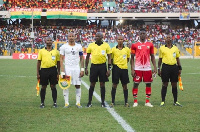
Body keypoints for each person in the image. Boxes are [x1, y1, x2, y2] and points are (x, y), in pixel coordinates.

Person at [131, 28, 157, 107]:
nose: (142, 35)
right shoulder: (134, 45)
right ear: (139, 35)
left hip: (147, 68)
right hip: (138, 68)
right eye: (141, 33)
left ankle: (147, 101)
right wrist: (132, 69)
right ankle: (135, 101)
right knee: (136, 84)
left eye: (144, 33)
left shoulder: (150, 45)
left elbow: (152, 56)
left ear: (146, 35)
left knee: (148, 84)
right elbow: (132, 58)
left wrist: (155, 67)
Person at [85, 32, 112, 107]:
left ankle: (103, 102)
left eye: (98, 36)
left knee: (102, 84)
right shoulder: (91, 45)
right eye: (96, 36)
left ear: (102, 37)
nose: (96, 37)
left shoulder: (106, 45)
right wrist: (86, 67)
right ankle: (89, 102)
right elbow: (87, 57)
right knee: (92, 83)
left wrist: (109, 69)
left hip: (103, 66)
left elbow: (109, 57)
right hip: (94, 66)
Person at [60, 32, 84, 108]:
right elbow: (61, 59)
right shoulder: (64, 47)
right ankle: (66, 103)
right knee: (65, 85)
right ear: (67, 37)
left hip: (76, 68)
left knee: (78, 85)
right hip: (67, 68)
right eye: (69, 36)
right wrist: (62, 70)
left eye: (72, 36)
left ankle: (78, 103)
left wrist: (82, 69)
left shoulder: (79, 46)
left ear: (75, 37)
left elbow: (82, 58)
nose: (71, 37)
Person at [158, 34, 182, 107]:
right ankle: (162, 101)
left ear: (172, 39)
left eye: (169, 38)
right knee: (165, 84)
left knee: (174, 84)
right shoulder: (162, 48)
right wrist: (159, 68)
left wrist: (180, 67)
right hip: (165, 67)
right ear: (165, 39)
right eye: (167, 37)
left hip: (174, 67)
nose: (168, 39)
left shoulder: (175, 48)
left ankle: (175, 101)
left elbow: (177, 58)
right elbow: (160, 59)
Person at [37, 36, 60, 108]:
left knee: (53, 86)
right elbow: (38, 63)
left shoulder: (56, 51)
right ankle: (42, 103)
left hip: (53, 70)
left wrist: (58, 73)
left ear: (52, 42)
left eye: (50, 40)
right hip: (44, 70)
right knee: (43, 87)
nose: (49, 41)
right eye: (48, 40)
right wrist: (38, 73)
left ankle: (55, 102)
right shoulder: (41, 51)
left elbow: (58, 63)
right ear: (45, 41)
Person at [110, 35, 130, 107]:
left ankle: (126, 102)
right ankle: (112, 102)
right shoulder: (113, 49)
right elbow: (111, 59)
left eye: (121, 39)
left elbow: (128, 59)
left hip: (124, 68)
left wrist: (123, 64)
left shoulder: (127, 49)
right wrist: (115, 65)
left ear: (123, 40)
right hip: (116, 68)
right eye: (119, 39)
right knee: (114, 84)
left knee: (125, 85)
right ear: (117, 40)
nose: (120, 40)